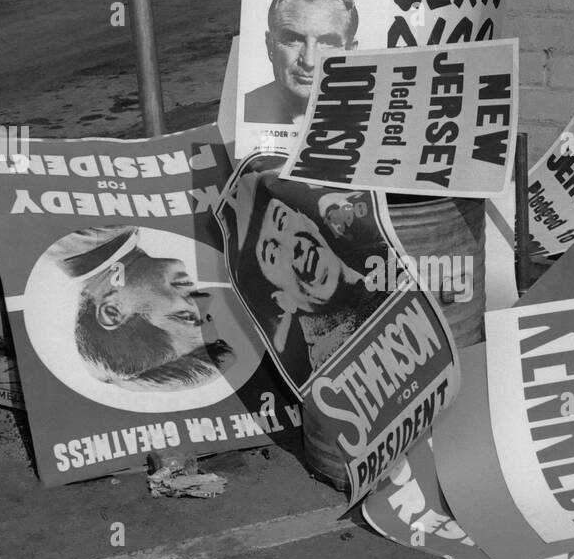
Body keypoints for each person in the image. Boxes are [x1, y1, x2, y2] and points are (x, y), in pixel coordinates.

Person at [223, 165, 389, 389]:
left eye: (282, 220)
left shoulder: (384, 259)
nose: (295, 246)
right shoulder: (333, 361)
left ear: (308, 220)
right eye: (273, 254)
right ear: (281, 300)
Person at [53, 226, 235, 390]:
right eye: (208, 316)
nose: (205, 299)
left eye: (186, 316)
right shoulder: (88, 242)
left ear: (113, 312)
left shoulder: (101, 226)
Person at [243, 0, 360, 126]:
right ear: (270, 46)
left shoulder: (373, 116)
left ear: (351, 51)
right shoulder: (243, 111)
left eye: (327, 42)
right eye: (293, 40)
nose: (309, 61)